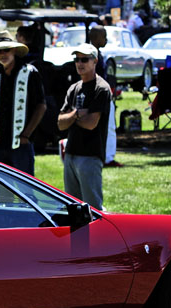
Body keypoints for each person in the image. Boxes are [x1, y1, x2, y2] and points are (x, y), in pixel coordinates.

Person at [0, 30, 46, 176]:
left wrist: (26, 135)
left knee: (27, 190)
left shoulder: (30, 72)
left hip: (20, 144)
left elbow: (41, 106)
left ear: (14, 50)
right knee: (2, 192)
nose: (3, 54)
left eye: (6, 50)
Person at [57, 44, 111, 210]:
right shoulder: (74, 88)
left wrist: (72, 117)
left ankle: (100, 237)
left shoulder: (101, 89)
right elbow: (60, 123)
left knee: (92, 208)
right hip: (71, 154)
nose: (80, 63)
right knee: (73, 208)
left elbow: (91, 124)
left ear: (95, 61)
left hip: (90, 155)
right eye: (77, 59)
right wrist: (77, 114)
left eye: (84, 59)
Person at [89, 25, 121, 168]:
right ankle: (108, 158)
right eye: (104, 36)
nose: (106, 39)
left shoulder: (93, 54)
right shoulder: (92, 55)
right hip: (100, 96)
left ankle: (102, 155)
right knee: (109, 127)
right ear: (96, 38)